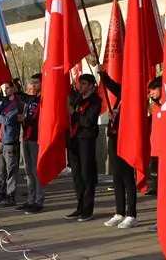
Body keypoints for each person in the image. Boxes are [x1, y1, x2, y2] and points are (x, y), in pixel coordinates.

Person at [99, 67, 138, 229]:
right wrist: (103, 74)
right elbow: (111, 85)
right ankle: (119, 212)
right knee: (117, 177)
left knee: (128, 178)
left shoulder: (135, 96)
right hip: (115, 138)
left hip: (127, 139)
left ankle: (131, 214)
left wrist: (119, 116)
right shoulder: (122, 93)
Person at [65, 73, 102, 222]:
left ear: (92, 86)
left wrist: (74, 113)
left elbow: (88, 121)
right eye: (80, 83)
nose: (81, 86)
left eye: (84, 84)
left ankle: (88, 209)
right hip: (74, 140)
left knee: (87, 176)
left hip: (86, 140)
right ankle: (79, 206)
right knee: (77, 176)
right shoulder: (77, 99)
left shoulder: (95, 101)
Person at [0, 81, 22, 207]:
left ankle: (10, 195)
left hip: (9, 140)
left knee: (10, 169)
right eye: (3, 88)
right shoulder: (4, 102)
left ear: (13, 89)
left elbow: (7, 120)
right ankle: (0, 192)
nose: (5, 90)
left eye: (7, 88)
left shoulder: (16, 104)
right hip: (0, 139)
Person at [17, 74, 44, 214]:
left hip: (36, 138)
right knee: (28, 171)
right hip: (25, 136)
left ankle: (39, 200)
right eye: (32, 83)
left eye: (36, 83)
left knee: (36, 170)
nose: (33, 85)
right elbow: (21, 97)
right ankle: (30, 199)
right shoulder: (30, 99)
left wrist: (26, 120)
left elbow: (40, 119)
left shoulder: (43, 100)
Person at [147, 76, 163, 196]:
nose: (151, 93)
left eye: (153, 90)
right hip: (154, 149)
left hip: (165, 151)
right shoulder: (155, 107)